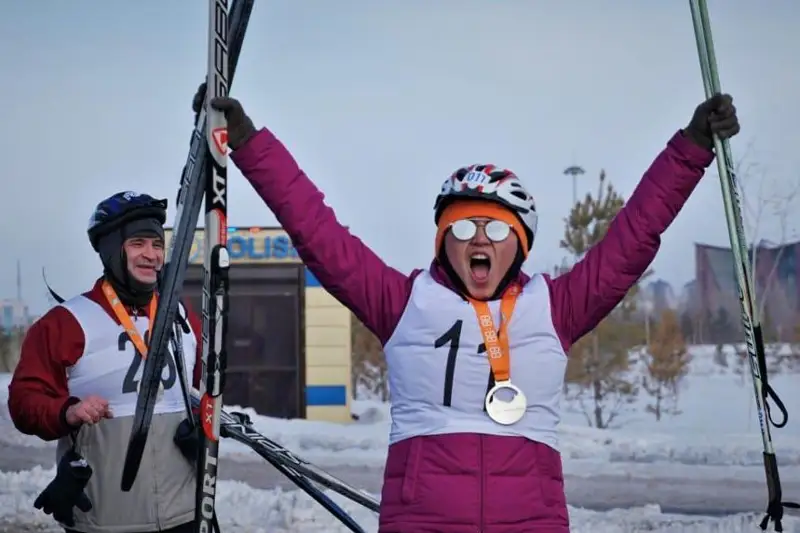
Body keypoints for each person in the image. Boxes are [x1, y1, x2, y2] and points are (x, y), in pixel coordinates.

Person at [200, 86, 739, 532]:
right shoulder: (401, 302)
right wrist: (249, 144)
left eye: (497, 227)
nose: (478, 238)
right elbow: (316, 231)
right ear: (442, 240)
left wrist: (691, 147)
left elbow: (634, 234)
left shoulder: (556, 307)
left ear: (521, 243)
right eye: (462, 226)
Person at [7, 192, 204, 533]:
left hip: (183, 515)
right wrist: (66, 412)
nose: (152, 255)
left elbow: (198, 393)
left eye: (157, 244)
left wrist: (203, 421)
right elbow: (24, 402)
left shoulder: (183, 318)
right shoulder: (66, 323)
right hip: (106, 520)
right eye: (137, 243)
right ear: (112, 250)